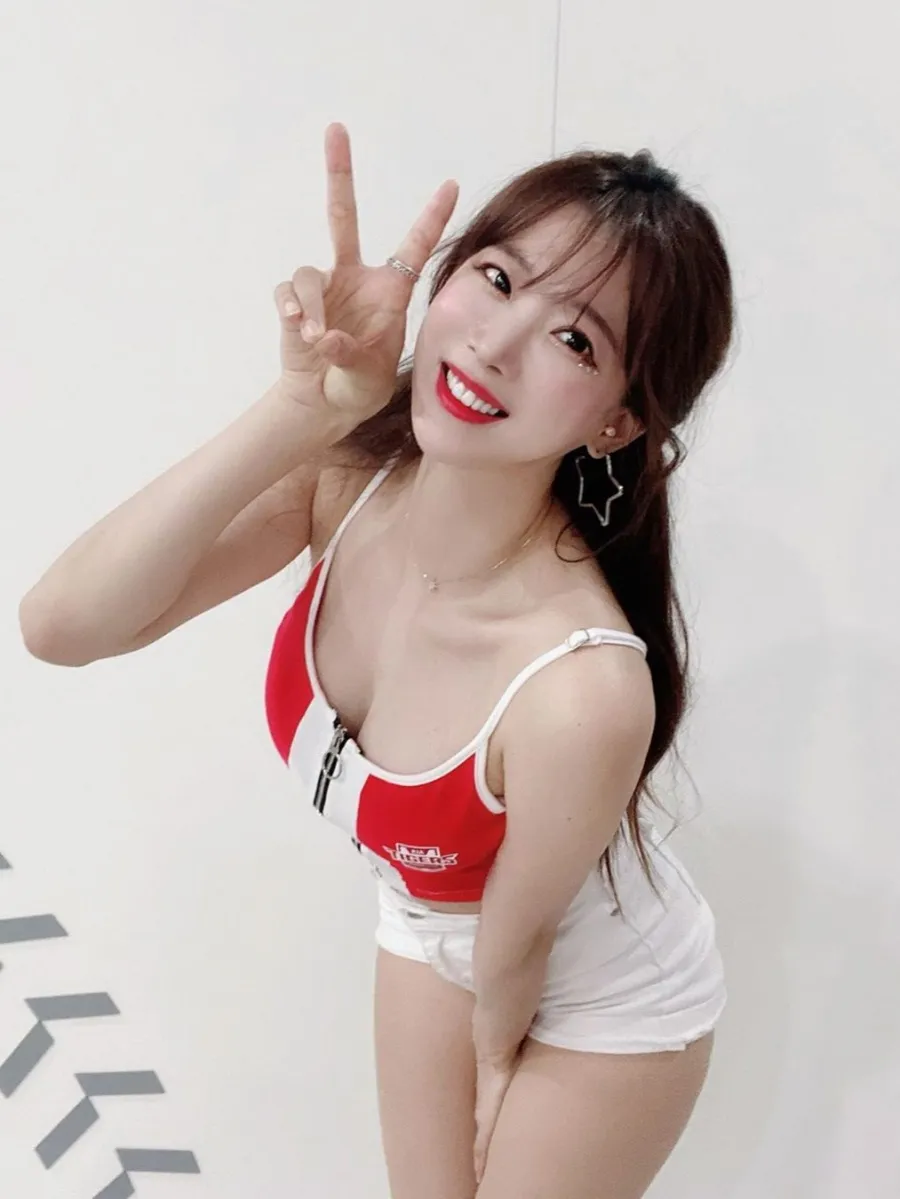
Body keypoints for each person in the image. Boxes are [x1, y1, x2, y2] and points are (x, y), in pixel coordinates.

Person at [19, 122, 733, 1199]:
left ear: (620, 420)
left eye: (574, 339)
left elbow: (518, 942)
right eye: (497, 278)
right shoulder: (343, 484)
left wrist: (495, 1083)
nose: (494, 344)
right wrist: (299, 410)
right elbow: (62, 624)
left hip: (600, 992)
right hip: (428, 921)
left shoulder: (580, 687)